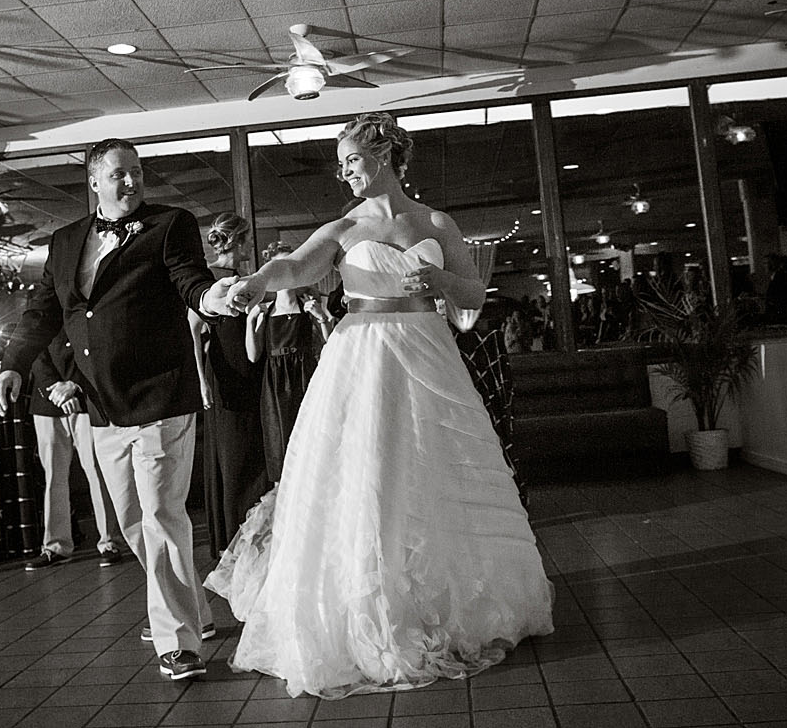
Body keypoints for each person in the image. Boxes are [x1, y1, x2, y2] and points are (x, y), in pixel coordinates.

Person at [209, 112, 555, 699]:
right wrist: (259, 280)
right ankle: (376, 605)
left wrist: (440, 284)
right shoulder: (342, 227)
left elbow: (473, 293)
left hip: (428, 351)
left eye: (351, 160)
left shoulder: (437, 222)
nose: (344, 173)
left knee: (433, 470)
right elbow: (297, 266)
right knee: (367, 475)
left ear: (386, 154)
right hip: (362, 358)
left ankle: (448, 601)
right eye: (341, 164)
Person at [0, 137, 238, 682]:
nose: (131, 183)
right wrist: (13, 364)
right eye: (119, 175)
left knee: (162, 516)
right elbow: (43, 312)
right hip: (99, 404)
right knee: (129, 521)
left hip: (159, 396)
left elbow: (189, 280)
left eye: (137, 173)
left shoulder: (170, 224)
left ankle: (179, 644)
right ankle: (193, 611)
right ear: (94, 182)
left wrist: (211, 298)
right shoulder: (63, 241)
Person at [192, 211, 267, 556]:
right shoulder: (210, 280)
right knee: (233, 453)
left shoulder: (242, 277)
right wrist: (201, 381)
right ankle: (233, 535)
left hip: (245, 370)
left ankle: (245, 531)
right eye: (248, 238)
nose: (252, 244)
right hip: (223, 372)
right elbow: (192, 328)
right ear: (236, 240)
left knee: (245, 448)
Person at [22, 333, 126, 570]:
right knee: (53, 477)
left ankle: (111, 541)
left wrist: (75, 385)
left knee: (97, 471)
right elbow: (34, 346)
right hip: (48, 400)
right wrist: (54, 387)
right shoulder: (41, 300)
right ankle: (55, 546)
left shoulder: (80, 297)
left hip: (85, 396)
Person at [246, 242, 333, 484]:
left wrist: (323, 319)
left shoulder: (310, 306)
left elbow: (331, 346)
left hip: (306, 376)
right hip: (275, 381)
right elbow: (253, 356)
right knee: (279, 440)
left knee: (311, 437)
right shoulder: (264, 310)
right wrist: (251, 322)